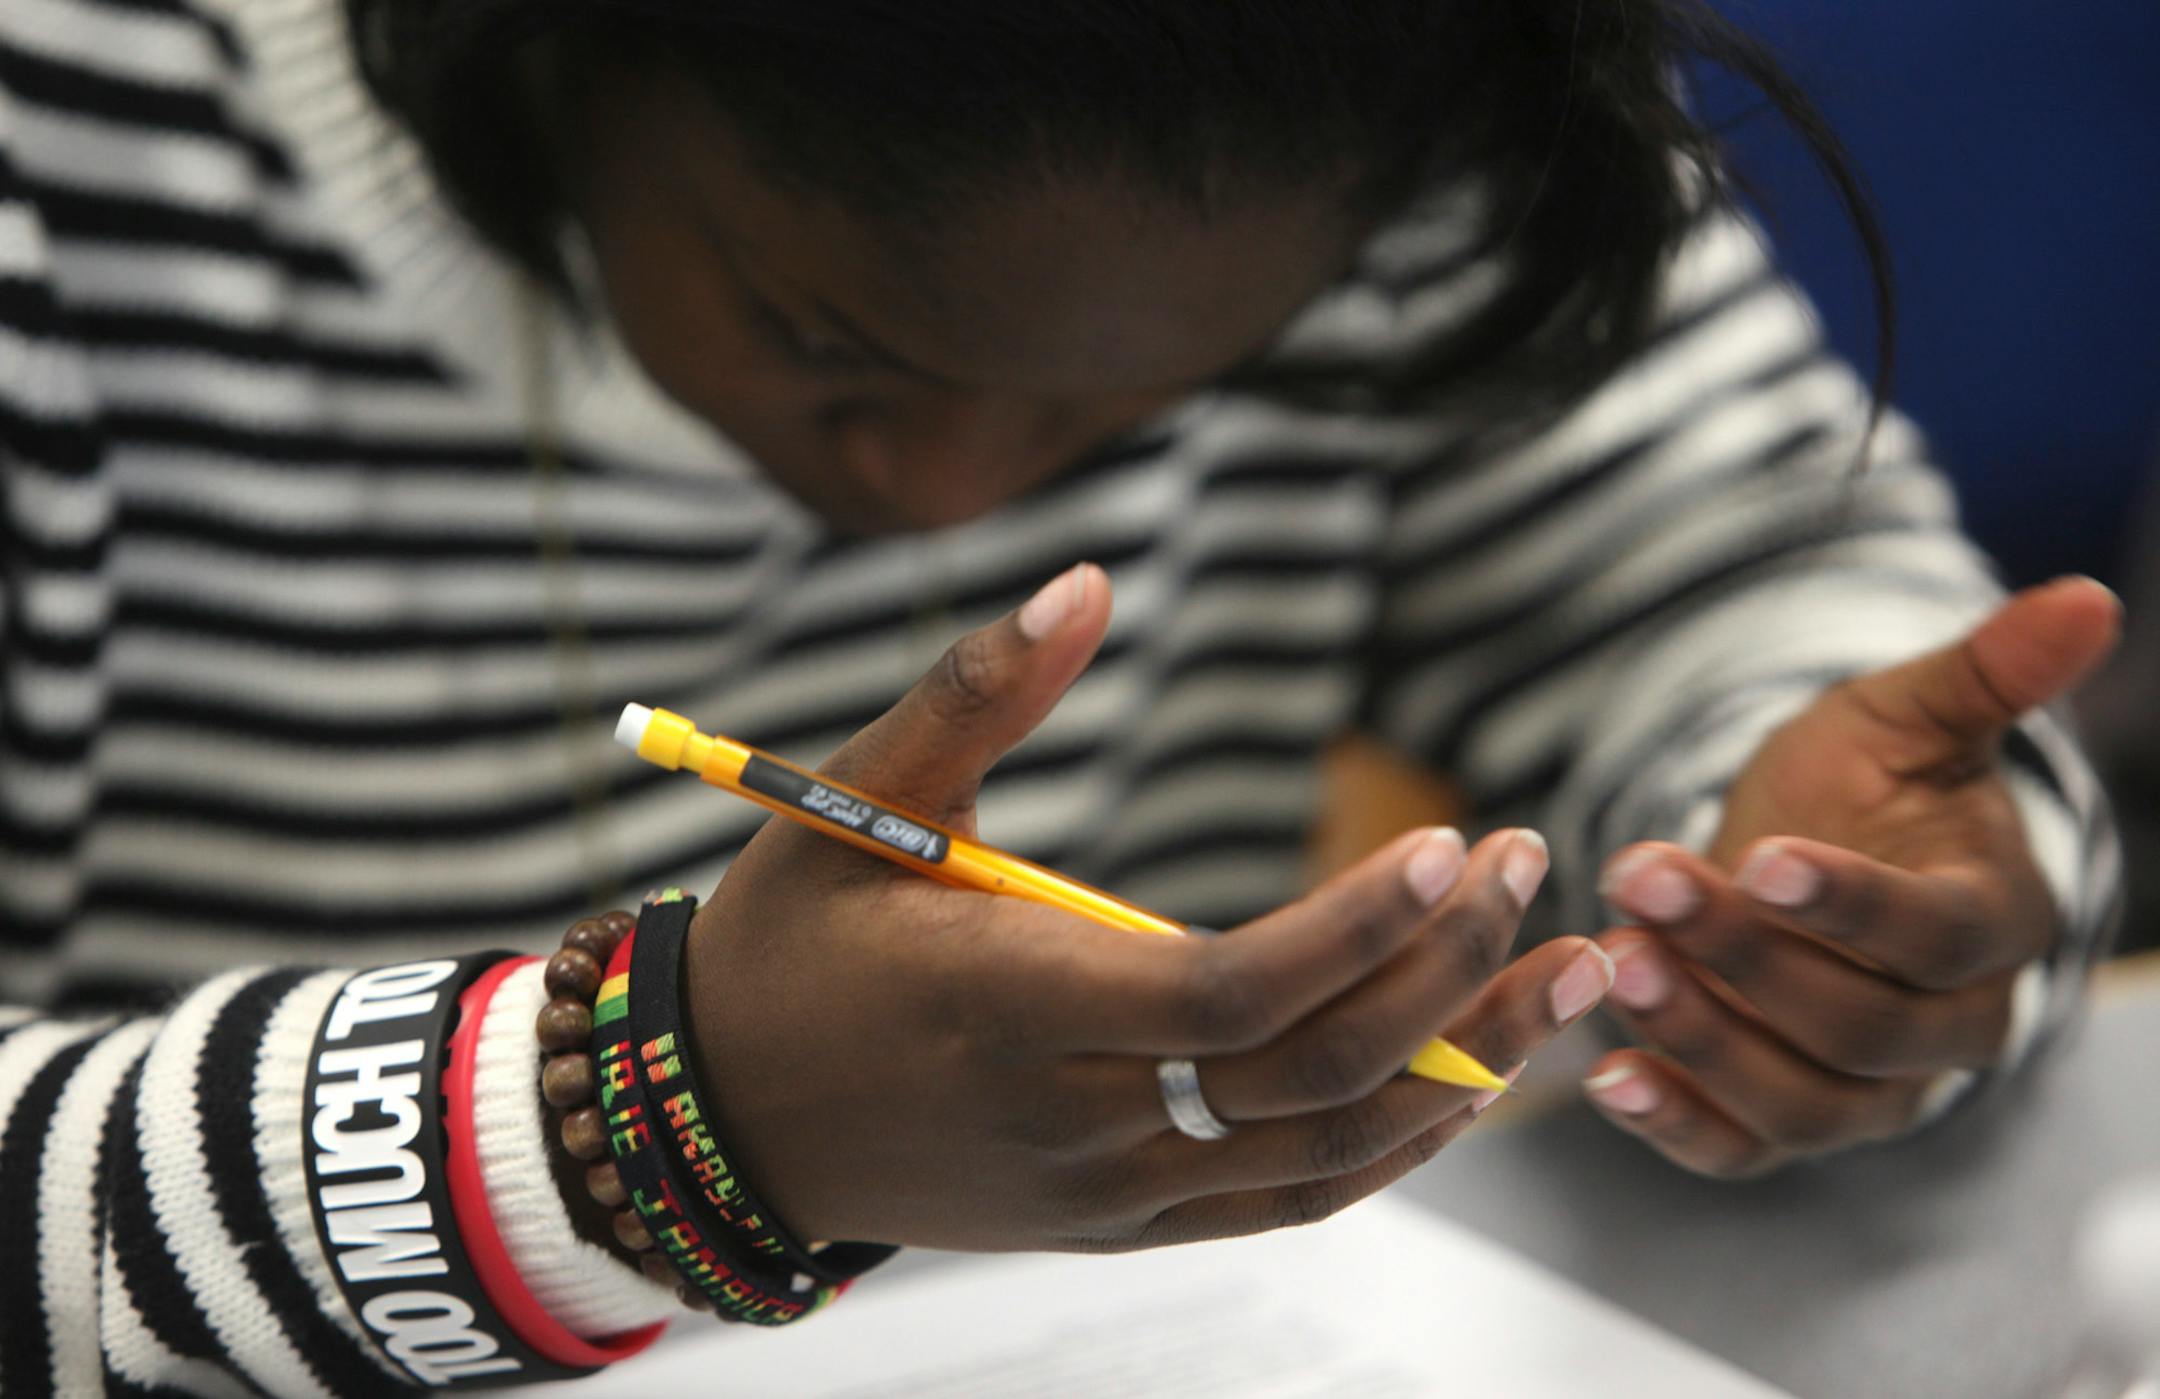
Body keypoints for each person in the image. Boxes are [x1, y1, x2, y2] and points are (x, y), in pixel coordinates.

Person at [0, 0, 2120, 1392]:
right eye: (825, 337)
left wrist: (1865, 890)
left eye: (1155, 397)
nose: (958, 499)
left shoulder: (1406, 100)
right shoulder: (67, 170)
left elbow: (1746, 577)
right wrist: (650, 1124)